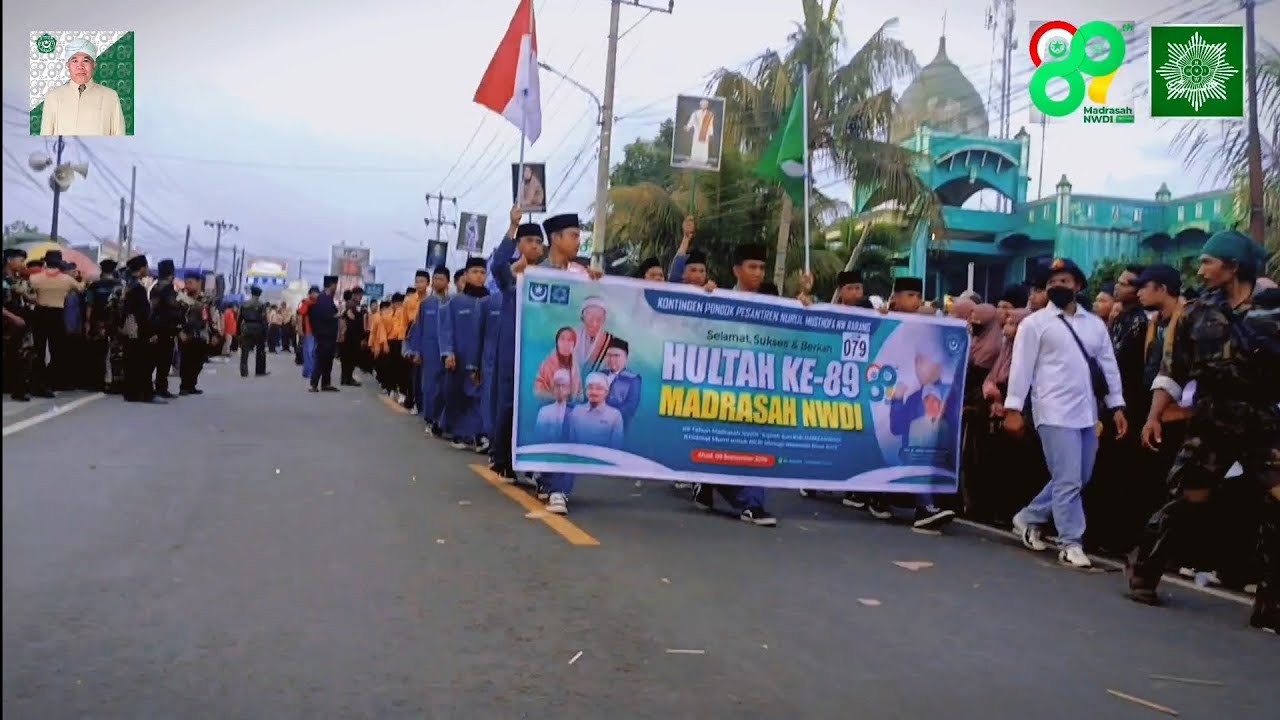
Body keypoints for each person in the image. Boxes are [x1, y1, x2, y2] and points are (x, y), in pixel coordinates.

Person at [1127, 231, 1279, 632]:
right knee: (1185, 498)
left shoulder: (1273, 314)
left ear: (1232, 268)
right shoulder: (1194, 313)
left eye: (1209, 262)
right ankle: (1144, 571)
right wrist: (1154, 416)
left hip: (1264, 421)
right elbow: (1172, 370)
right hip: (1213, 419)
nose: (1201, 269)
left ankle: (1272, 601)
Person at [1003, 258, 1127, 569]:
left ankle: (1029, 516)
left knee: (1077, 477)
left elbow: (1108, 367)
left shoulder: (1094, 324)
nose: (1058, 287)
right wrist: (1013, 409)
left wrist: (1117, 405)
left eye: (1065, 282)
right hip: (1052, 411)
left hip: (1087, 412)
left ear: (1078, 286)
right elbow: (1021, 368)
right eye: (1053, 283)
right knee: (1069, 478)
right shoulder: (1034, 324)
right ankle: (1071, 542)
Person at [690, 242, 778, 526]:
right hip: (723, 389)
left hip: (757, 389)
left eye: (762, 268)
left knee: (756, 448)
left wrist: (804, 301)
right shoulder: (720, 299)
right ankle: (717, 485)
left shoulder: (774, 304)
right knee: (724, 451)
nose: (758, 273)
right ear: (737, 270)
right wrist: (706, 300)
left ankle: (750, 502)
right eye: (752, 267)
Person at [489, 209, 548, 479]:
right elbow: (498, 266)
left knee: (536, 404)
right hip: (511, 348)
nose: (534, 246)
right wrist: (513, 225)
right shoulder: (513, 279)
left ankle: (531, 461)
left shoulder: (552, 276)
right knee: (508, 404)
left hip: (539, 350)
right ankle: (502, 457)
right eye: (529, 241)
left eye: (539, 242)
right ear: (519, 245)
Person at [440, 257, 491, 451]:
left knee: (480, 397)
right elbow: (446, 329)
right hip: (460, 357)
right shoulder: (455, 302)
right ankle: (461, 434)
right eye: (475, 272)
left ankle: (479, 435)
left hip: (484, 358)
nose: (479, 276)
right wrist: (448, 352)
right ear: (466, 275)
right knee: (460, 396)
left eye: (482, 272)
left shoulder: (490, 301)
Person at [38, 38, 126, 136]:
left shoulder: (110, 96)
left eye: (85, 60)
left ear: (94, 65)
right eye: (75, 61)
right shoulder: (53, 96)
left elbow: (119, 134)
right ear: (68, 65)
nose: (80, 66)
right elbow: (45, 137)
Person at [27, 250, 84, 394]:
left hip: (39, 314)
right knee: (56, 350)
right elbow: (81, 288)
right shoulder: (67, 280)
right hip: (57, 315)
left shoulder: (35, 278)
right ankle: (51, 382)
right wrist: (84, 279)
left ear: (46, 262)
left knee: (39, 350)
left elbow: (29, 294)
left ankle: (36, 382)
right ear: (60, 264)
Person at [408, 266, 453, 436]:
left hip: (447, 351)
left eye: (441, 279)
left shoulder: (452, 302)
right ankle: (430, 418)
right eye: (435, 279)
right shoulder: (426, 304)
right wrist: (417, 351)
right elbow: (418, 329)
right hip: (429, 351)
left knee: (446, 388)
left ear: (447, 282)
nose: (437, 282)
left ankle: (443, 421)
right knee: (429, 387)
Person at [120, 255, 162, 403]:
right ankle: (146, 394)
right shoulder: (138, 289)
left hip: (127, 329)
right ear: (142, 268)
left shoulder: (126, 286)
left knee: (131, 362)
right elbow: (144, 314)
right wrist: (150, 332)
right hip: (139, 330)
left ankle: (131, 393)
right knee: (144, 362)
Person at [2, 248, 38, 401]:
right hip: (7, 323)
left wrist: (23, 293)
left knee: (20, 356)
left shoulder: (21, 280)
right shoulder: (4, 280)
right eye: (20, 260)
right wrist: (13, 318)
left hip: (20, 324)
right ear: (9, 260)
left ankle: (18, 389)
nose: (22, 263)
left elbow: (34, 299)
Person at [84, 259, 122, 392]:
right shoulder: (120, 286)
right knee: (115, 353)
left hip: (98, 323)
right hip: (115, 323)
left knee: (97, 353)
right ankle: (115, 383)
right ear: (113, 271)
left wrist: (88, 323)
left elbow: (89, 305)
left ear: (102, 270)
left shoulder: (94, 286)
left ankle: (97, 382)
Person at [149, 259, 182, 399]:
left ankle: (155, 386)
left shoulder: (155, 287)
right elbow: (172, 307)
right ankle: (161, 388)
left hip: (155, 326)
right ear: (171, 273)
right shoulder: (168, 288)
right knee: (164, 359)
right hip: (166, 327)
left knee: (155, 358)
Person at [568, 373, 626, 449]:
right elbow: (571, 445)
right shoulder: (577, 411)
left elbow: (616, 449)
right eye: (590, 388)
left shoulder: (615, 416)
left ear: (606, 392)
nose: (594, 392)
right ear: (586, 391)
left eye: (598, 388)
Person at [176, 271, 210, 395]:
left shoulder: (204, 299)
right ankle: (184, 386)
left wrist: (212, 334)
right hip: (186, 334)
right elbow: (177, 317)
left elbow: (207, 317)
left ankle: (192, 385)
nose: (188, 285)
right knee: (186, 361)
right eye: (186, 283)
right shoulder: (181, 299)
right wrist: (180, 332)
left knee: (198, 361)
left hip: (200, 334)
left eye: (190, 283)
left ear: (198, 283)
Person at [308, 275, 341, 392]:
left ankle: (326, 383)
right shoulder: (322, 299)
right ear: (331, 285)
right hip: (324, 334)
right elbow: (325, 316)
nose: (336, 287)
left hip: (329, 334)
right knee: (321, 359)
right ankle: (314, 383)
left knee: (328, 359)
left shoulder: (328, 298)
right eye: (335, 285)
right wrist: (337, 315)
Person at [603, 337, 642, 430]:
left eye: (616, 356)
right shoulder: (599, 374)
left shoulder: (633, 379)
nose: (611, 359)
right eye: (609, 355)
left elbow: (630, 407)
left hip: (616, 428)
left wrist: (606, 418)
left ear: (626, 358)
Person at [574, 296, 614, 374]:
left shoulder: (611, 342)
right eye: (590, 319)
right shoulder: (570, 337)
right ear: (582, 318)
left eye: (599, 319)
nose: (594, 324)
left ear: (604, 320)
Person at [238, 285, 269, 377]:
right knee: (260, 350)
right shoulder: (261, 305)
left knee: (245, 351)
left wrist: (238, 332)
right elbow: (264, 319)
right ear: (259, 294)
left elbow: (239, 318)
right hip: (258, 328)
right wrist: (265, 332)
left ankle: (244, 371)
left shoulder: (243, 304)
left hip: (246, 327)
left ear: (252, 293)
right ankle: (259, 371)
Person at [535, 369, 574, 443]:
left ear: (569, 389)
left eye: (563, 386)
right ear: (553, 388)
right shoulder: (544, 412)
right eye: (557, 386)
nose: (560, 389)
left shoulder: (574, 413)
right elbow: (538, 438)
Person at [339, 286, 367, 386]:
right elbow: (352, 317)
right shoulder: (351, 305)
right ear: (354, 295)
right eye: (359, 295)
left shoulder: (354, 305)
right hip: (350, 336)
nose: (360, 297)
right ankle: (347, 378)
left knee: (348, 358)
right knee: (349, 358)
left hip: (352, 336)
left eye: (361, 295)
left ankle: (346, 378)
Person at [683, 98, 716, 167]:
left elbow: (710, 124)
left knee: (703, 147)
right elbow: (691, 121)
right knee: (696, 145)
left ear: (707, 105)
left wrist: (710, 133)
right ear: (700, 105)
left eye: (705, 104)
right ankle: (694, 159)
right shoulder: (695, 113)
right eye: (702, 104)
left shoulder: (710, 114)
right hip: (697, 132)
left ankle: (703, 161)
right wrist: (688, 127)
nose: (703, 106)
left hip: (705, 133)